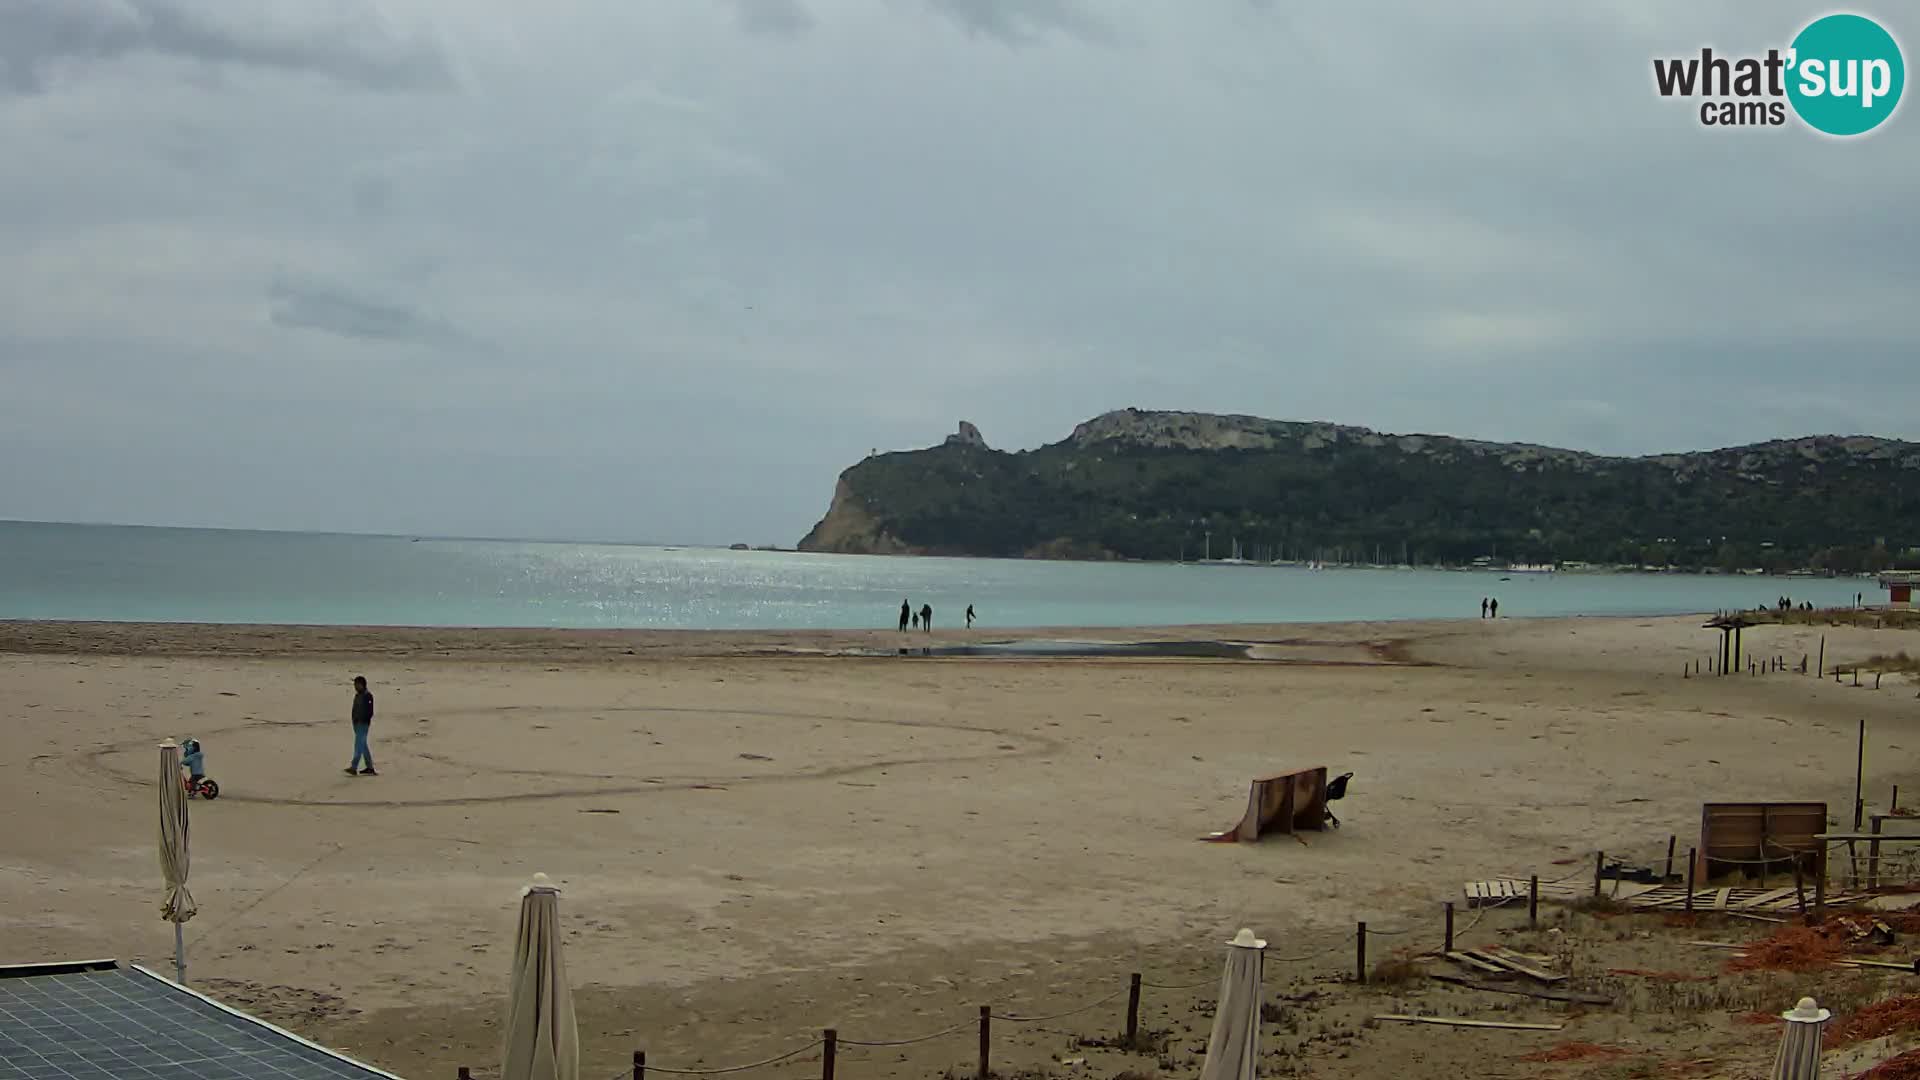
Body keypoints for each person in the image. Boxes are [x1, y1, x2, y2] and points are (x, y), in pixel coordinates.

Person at [347, 675, 377, 776]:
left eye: (357, 685)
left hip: (363, 724)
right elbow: (354, 709)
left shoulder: (368, 696)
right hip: (356, 723)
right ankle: (370, 767)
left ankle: (354, 767)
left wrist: (364, 720)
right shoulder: (357, 696)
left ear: (362, 685)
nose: (355, 687)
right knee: (363, 745)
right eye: (355, 685)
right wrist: (354, 720)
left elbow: (370, 712)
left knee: (358, 746)